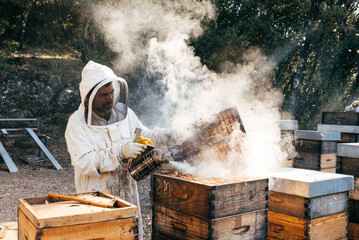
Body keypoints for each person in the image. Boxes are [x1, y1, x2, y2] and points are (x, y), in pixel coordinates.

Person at [65, 60, 170, 239]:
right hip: (96, 200)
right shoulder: (77, 124)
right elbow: (84, 162)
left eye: (112, 92)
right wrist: (120, 152)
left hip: (127, 194)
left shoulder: (125, 114)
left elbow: (144, 135)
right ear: (89, 97)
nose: (110, 98)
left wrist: (169, 135)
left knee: (130, 234)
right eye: (104, 95)